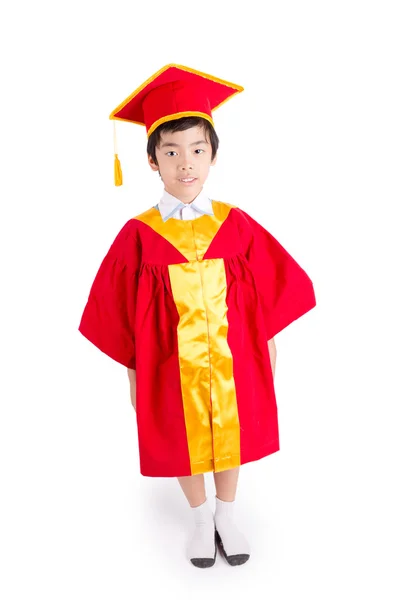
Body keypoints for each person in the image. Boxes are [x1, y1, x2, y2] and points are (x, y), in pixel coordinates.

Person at [78, 63, 317, 568]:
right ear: (151, 161)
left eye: (197, 150)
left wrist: (268, 349)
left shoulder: (236, 223)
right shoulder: (137, 235)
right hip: (168, 364)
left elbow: (274, 287)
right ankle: (199, 518)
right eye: (170, 152)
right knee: (179, 435)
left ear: (212, 156)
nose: (185, 163)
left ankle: (227, 515)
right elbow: (115, 312)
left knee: (233, 430)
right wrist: (133, 374)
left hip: (235, 359)